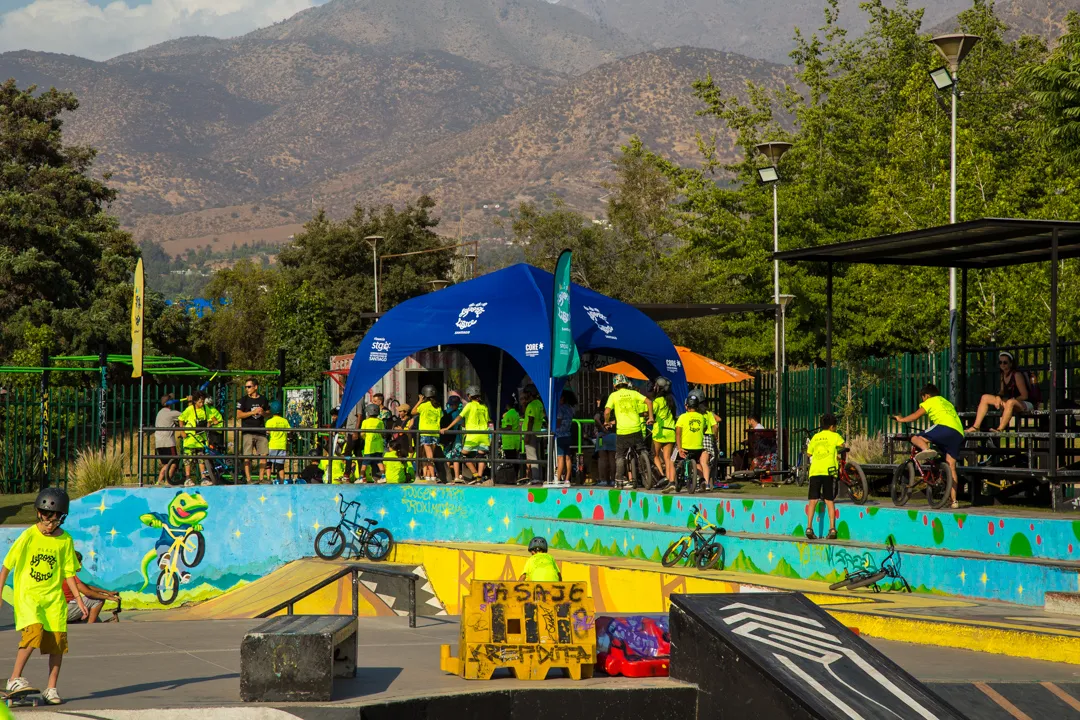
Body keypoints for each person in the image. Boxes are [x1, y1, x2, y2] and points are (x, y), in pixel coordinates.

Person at [0, 488, 86, 705]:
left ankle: (51, 688)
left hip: (54, 600)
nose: (48, 525)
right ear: (38, 513)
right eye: (45, 519)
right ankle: (14, 679)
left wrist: (79, 598)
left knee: (57, 644)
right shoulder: (29, 535)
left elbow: (69, 573)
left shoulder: (65, 540)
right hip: (29, 597)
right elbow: (7, 566)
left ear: (61, 519)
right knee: (34, 632)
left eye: (53, 521)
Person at [893, 383, 964, 508]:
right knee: (951, 466)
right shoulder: (946, 402)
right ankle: (954, 501)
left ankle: (926, 450)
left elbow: (915, 416)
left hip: (944, 427)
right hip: (958, 433)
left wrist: (901, 419)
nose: (922, 400)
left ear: (926, 396)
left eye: (922, 398)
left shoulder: (930, 401)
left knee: (916, 437)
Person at [603, 374, 654, 489]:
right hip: (636, 428)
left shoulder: (613, 396)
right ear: (626, 383)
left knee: (620, 456)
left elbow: (606, 412)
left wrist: (607, 422)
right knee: (641, 450)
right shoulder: (634, 393)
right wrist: (651, 417)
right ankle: (645, 465)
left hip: (623, 431)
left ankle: (619, 480)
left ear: (615, 385)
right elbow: (649, 402)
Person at [966, 351, 1033, 434]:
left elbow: (1024, 395)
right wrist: (998, 397)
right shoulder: (1003, 375)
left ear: (1011, 364)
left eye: (1005, 362)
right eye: (1000, 362)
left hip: (1024, 403)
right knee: (985, 397)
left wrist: (1008, 401)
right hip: (1009, 402)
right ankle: (975, 427)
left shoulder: (1016, 375)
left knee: (1010, 402)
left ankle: (1000, 429)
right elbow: (1001, 392)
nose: (1002, 365)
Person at [803, 413, 845, 540]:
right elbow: (843, 446)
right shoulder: (835, 436)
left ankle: (809, 527)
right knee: (829, 500)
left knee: (813, 500)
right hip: (829, 471)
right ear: (832, 426)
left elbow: (809, 454)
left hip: (815, 471)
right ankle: (832, 528)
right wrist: (836, 453)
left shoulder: (816, 437)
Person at [446, 386, 492, 484]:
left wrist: (447, 428)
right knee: (481, 457)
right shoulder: (484, 406)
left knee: (463, 456)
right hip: (484, 435)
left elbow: (459, 417)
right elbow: (488, 422)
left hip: (472, 435)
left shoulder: (469, 405)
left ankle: (475, 474)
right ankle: (479, 479)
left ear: (469, 396)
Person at [179, 390, 223, 486]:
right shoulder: (190, 409)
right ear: (195, 401)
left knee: (201, 458)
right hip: (190, 438)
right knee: (188, 459)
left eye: (203, 401)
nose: (202, 403)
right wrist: (182, 432)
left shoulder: (206, 408)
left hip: (201, 438)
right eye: (200, 402)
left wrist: (212, 422)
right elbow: (181, 419)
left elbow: (213, 418)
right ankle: (188, 478)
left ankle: (203, 478)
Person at [65, 552, 119, 624]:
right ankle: (90, 626)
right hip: (67, 610)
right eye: (79, 562)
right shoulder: (70, 576)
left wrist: (107, 592)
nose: (81, 564)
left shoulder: (67, 574)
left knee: (95, 608)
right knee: (98, 599)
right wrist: (108, 597)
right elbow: (88, 592)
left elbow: (87, 587)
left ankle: (91, 622)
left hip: (66, 608)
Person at [672, 390, 710, 493]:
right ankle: (702, 480)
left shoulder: (682, 417)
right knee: (697, 462)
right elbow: (704, 429)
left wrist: (679, 448)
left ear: (686, 406)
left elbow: (678, 433)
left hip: (685, 447)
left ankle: (671, 481)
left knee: (671, 460)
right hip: (698, 448)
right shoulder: (702, 418)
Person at [236, 378, 271, 484]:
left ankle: (261, 478)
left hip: (260, 430)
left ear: (256, 387)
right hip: (248, 431)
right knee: (247, 456)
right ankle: (249, 479)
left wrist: (262, 413)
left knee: (263, 455)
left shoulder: (263, 399)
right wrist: (252, 412)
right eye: (246, 387)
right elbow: (238, 415)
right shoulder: (243, 400)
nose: (247, 389)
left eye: (249, 387)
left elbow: (269, 413)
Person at [412, 386, 443, 482]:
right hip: (435, 432)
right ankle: (428, 476)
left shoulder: (423, 405)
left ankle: (433, 476)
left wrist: (419, 401)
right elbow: (441, 416)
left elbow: (413, 412)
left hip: (425, 433)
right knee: (428, 455)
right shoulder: (438, 407)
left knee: (429, 456)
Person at [651, 378, 677, 488]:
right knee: (667, 458)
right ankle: (670, 479)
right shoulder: (671, 401)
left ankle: (662, 476)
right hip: (671, 432)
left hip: (659, 432)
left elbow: (650, 412)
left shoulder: (657, 401)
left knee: (654, 454)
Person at [521, 384, 547, 485]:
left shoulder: (532, 405)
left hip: (531, 433)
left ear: (530, 394)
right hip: (538, 432)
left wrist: (527, 434)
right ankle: (538, 476)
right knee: (537, 456)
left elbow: (530, 421)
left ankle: (536, 478)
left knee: (532, 456)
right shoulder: (539, 403)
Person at [154, 394, 181, 486]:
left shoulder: (159, 413)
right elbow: (185, 416)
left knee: (166, 464)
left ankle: (159, 481)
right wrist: (190, 402)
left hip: (159, 443)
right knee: (173, 463)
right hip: (168, 443)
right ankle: (167, 482)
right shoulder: (171, 413)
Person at [264, 401, 291, 483]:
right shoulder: (285, 421)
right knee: (280, 466)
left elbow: (267, 433)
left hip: (272, 445)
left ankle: (269, 479)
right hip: (282, 446)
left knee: (268, 464)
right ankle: (281, 481)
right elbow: (289, 432)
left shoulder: (269, 421)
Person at [555, 389, 577, 486]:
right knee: (567, 457)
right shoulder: (570, 409)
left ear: (562, 398)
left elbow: (558, 422)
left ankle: (558, 479)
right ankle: (567, 479)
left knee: (560, 458)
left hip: (560, 435)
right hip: (568, 435)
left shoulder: (560, 408)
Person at [359, 404, 386, 483]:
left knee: (364, 462)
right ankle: (383, 476)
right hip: (379, 445)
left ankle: (361, 477)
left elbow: (362, 433)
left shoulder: (365, 422)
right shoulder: (380, 422)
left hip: (369, 446)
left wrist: (364, 438)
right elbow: (383, 433)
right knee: (379, 461)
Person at [592, 399, 616, 486]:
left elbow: (596, 418)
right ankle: (613, 480)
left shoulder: (600, 412)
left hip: (602, 437)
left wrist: (602, 428)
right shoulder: (614, 411)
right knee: (612, 458)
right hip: (613, 436)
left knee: (602, 458)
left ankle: (603, 480)